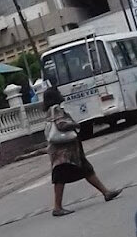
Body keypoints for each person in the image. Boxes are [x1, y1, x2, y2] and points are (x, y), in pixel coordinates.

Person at [43, 86, 121, 216]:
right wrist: (76, 125)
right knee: (60, 176)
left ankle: (106, 192)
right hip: (63, 153)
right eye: (58, 93)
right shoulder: (56, 109)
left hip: (69, 152)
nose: (61, 94)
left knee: (86, 169)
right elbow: (61, 125)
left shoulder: (50, 111)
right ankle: (57, 207)